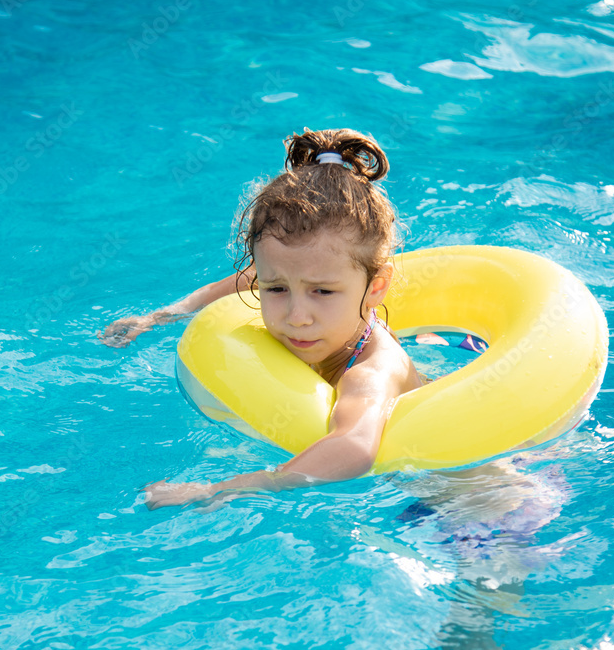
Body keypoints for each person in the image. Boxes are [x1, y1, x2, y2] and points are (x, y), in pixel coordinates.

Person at [100, 127, 423, 509]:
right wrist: (160, 316)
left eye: (322, 292)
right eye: (277, 289)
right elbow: (238, 282)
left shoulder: (372, 371)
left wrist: (219, 489)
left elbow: (355, 447)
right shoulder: (294, 277)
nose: (297, 316)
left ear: (375, 287)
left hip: (449, 492)